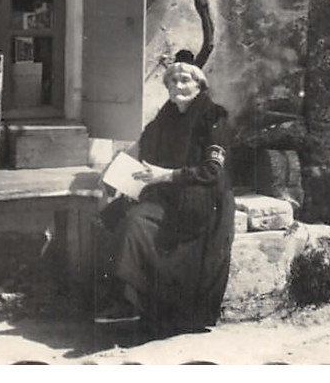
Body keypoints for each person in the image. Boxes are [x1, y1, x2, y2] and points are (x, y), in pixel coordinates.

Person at [94, 52, 234, 333]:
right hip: (168, 195)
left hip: (202, 202)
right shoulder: (166, 116)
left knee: (136, 223)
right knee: (113, 216)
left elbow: (212, 172)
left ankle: (131, 303)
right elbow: (141, 148)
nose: (178, 87)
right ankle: (126, 300)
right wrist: (113, 174)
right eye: (173, 81)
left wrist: (167, 175)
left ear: (199, 86)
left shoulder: (213, 116)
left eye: (185, 81)